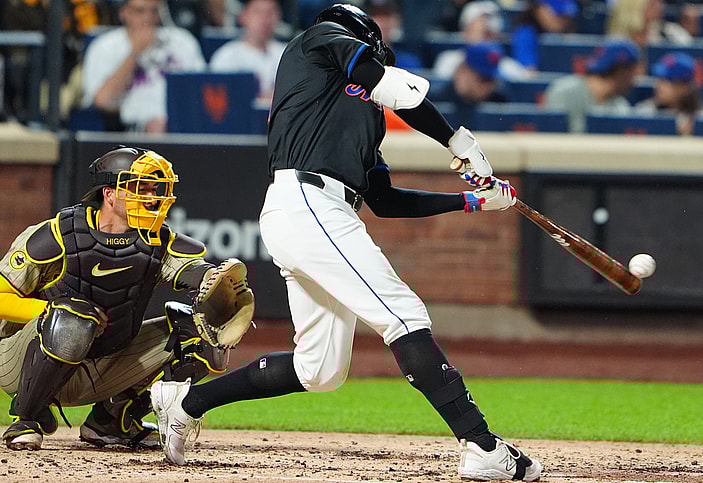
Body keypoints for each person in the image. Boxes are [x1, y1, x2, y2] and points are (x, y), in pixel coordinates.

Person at [150, 4, 542, 481]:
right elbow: (381, 78)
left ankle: (187, 401)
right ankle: (481, 446)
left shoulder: (365, 117)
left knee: (321, 369)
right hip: (306, 200)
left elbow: (384, 200)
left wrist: (472, 202)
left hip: (321, 210)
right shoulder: (316, 42)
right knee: (403, 315)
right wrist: (457, 139)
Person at [0, 146, 248, 450]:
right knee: (74, 316)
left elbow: (190, 270)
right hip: (20, 362)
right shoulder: (57, 235)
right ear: (109, 193)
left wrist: (214, 282)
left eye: (154, 189)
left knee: (197, 333)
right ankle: (27, 417)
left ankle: (110, 422)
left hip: (101, 363)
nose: (151, 196)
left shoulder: (156, 240)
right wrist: (49, 309)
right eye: (139, 188)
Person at [80, 0, 206, 133]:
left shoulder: (182, 41)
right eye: (140, 11)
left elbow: (201, 89)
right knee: (156, 126)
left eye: (154, 11)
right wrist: (135, 53)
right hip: (130, 128)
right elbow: (102, 100)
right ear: (123, 13)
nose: (148, 18)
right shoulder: (105, 46)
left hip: (182, 123)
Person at [543, 38, 640, 133]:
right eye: (633, 73)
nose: (634, 81)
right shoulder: (564, 92)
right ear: (621, 71)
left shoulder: (620, 106)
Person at [209, 0, 287, 105]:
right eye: (258, 12)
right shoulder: (226, 56)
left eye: (270, 12)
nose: (264, 18)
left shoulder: (288, 53)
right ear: (243, 16)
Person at [433, 1, 530, 81]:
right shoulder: (447, 62)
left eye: (489, 35)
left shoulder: (511, 69)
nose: (484, 41)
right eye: (480, 33)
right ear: (465, 31)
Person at [431, 42, 510, 128]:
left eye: (492, 80)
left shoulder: (500, 101)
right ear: (462, 70)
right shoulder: (435, 102)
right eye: (483, 79)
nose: (488, 86)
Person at [635, 51, 703, 135]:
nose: (659, 86)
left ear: (685, 87)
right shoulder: (645, 112)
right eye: (660, 79)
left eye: (668, 81)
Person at [510, 0, 579, 71]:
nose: (562, 21)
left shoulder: (569, 35)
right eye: (557, 15)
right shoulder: (525, 33)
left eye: (565, 17)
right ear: (538, 10)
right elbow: (529, 71)